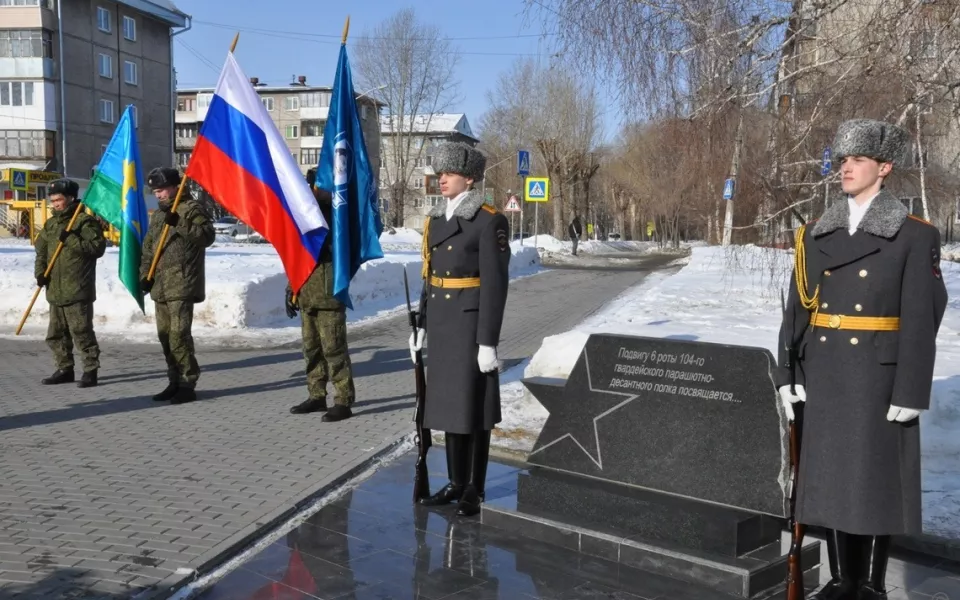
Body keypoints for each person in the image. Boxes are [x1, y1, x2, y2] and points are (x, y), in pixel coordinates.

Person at [776, 118, 948, 600]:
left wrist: (912, 387)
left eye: (857, 160)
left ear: (884, 167)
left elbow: (923, 314)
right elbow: (797, 307)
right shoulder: (815, 232)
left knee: (871, 478)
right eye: (842, 160)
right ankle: (839, 579)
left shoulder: (913, 235)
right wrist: (787, 371)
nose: (845, 168)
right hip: (824, 371)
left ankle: (870, 584)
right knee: (831, 476)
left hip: (878, 372)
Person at [408, 141, 511, 517]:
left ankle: (474, 487)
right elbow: (429, 277)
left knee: (475, 407)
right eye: (439, 174)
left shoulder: (488, 220)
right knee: (450, 406)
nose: (442, 180)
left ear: (469, 178)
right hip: (442, 324)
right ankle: (453, 481)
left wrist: (488, 342)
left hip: (470, 324)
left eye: (449, 174)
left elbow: (495, 286)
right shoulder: (435, 220)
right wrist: (420, 324)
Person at [285, 167, 356, 422]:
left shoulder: (338, 217)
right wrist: (291, 288)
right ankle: (316, 395)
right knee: (311, 349)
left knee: (334, 349)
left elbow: (346, 251)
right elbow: (295, 257)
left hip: (329, 293)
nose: (312, 191)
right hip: (306, 294)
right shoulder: (303, 218)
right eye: (310, 186)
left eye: (317, 186)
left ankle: (343, 399)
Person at [140, 167, 215, 404]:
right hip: (160, 285)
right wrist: (145, 275)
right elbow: (148, 249)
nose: (159, 194)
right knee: (164, 336)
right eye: (155, 191)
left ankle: (187, 382)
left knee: (179, 335)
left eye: (161, 190)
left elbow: (206, 237)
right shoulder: (159, 215)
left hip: (182, 284)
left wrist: (180, 223)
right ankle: (174, 380)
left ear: (174, 187)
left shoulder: (191, 209)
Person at [35, 178, 106, 388]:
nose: (55, 204)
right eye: (53, 200)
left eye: (59, 200)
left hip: (77, 288)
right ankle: (64, 368)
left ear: (71, 198)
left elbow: (97, 248)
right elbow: (41, 251)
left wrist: (71, 239)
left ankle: (90, 370)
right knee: (56, 334)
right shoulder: (51, 224)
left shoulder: (83, 221)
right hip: (55, 289)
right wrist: (41, 273)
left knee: (81, 331)